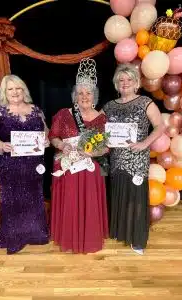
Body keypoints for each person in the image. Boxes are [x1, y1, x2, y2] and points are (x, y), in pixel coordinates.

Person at [102, 63, 165, 255]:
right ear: (116, 84)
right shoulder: (109, 106)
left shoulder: (145, 102)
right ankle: (121, 232)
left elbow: (160, 126)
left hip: (137, 159)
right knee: (119, 194)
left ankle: (137, 240)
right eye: (121, 80)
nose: (125, 83)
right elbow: (98, 128)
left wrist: (145, 143)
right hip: (116, 159)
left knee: (136, 198)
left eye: (129, 79)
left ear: (136, 82)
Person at [49, 58, 109, 253]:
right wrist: (62, 145)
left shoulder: (102, 118)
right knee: (70, 203)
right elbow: (53, 137)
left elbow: (107, 147)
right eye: (80, 93)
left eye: (88, 93)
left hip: (90, 167)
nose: (84, 96)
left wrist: (92, 151)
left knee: (88, 203)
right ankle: (69, 236)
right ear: (75, 96)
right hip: (67, 165)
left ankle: (88, 236)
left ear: (94, 96)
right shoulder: (63, 114)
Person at [0, 74, 49, 254]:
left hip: (33, 164)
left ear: (24, 90)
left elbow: (46, 132)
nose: (15, 92)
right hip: (10, 164)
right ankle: (13, 234)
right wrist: (1, 145)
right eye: (10, 89)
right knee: (12, 199)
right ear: (5, 92)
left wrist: (45, 141)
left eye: (18, 88)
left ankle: (35, 232)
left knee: (34, 197)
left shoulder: (36, 110)